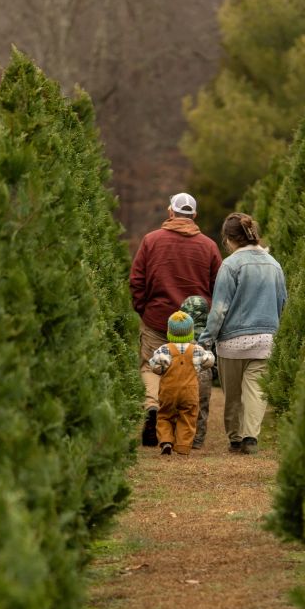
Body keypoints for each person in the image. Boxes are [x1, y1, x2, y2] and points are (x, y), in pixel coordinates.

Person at [130, 192, 222, 446]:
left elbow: (137, 280)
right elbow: (218, 286)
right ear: (194, 215)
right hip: (194, 323)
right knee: (194, 369)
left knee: (151, 366)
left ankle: (153, 407)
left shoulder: (151, 241)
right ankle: (191, 428)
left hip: (157, 318)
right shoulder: (209, 246)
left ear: (170, 212)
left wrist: (143, 309)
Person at [198, 212, 287, 454]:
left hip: (232, 342)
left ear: (228, 239)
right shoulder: (274, 264)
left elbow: (219, 309)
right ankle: (250, 438)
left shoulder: (230, 265)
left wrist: (205, 340)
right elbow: (282, 302)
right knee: (257, 392)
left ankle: (235, 439)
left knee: (233, 395)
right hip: (266, 339)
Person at [147, 311, 215, 455]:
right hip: (189, 391)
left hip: (168, 390)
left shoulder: (164, 349)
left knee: (165, 415)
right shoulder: (196, 350)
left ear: (169, 331)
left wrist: (162, 370)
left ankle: (166, 441)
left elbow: (155, 367)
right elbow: (209, 361)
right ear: (190, 332)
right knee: (188, 415)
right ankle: (183, 446)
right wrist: (202, 362)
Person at [180, 294, 213, 448]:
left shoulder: (180, 331)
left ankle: (181, 434)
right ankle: (198, 439)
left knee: (182, 403)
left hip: (182, 370)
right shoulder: (208, 329)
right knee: (202, 404)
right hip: (203, 370)